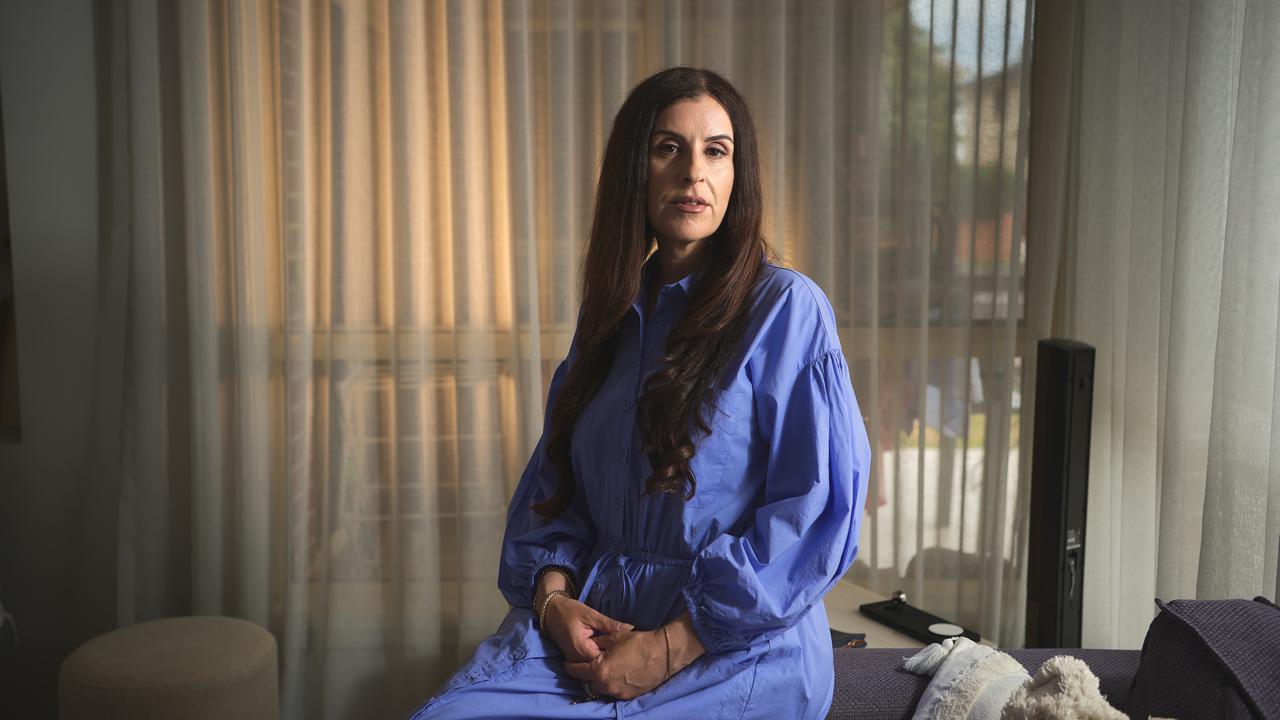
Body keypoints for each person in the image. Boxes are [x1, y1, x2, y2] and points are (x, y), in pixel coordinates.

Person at [411, 66, 869, 720]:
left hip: (729, 644)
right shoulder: (609, 319)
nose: (693, 172)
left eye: (716, 151)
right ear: (635, 171)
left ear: (737, 177)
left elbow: (815, 511)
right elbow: (557, 493)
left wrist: (670, 645)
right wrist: (553, 600)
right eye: (668, 148)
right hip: (597, 628)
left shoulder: (787, 309)